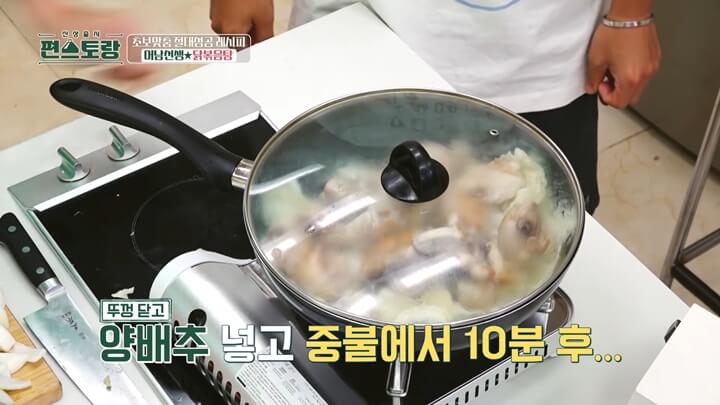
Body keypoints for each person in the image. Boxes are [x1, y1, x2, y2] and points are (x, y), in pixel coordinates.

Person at [209, 0, 661, 214]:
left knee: (529, 252)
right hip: (353, 32)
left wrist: (630, 11)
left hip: (537, 55)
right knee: (325, 237)